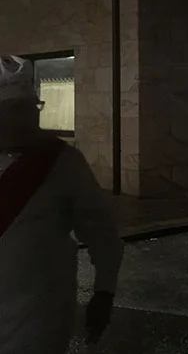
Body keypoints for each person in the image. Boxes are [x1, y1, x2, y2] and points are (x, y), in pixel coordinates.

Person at [0, 56, 123, 353]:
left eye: (32, 107)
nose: (29, 118)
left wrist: (104, 292)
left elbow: (103, 235)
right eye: (15, 109)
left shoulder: (62, 162)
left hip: (36, 320)